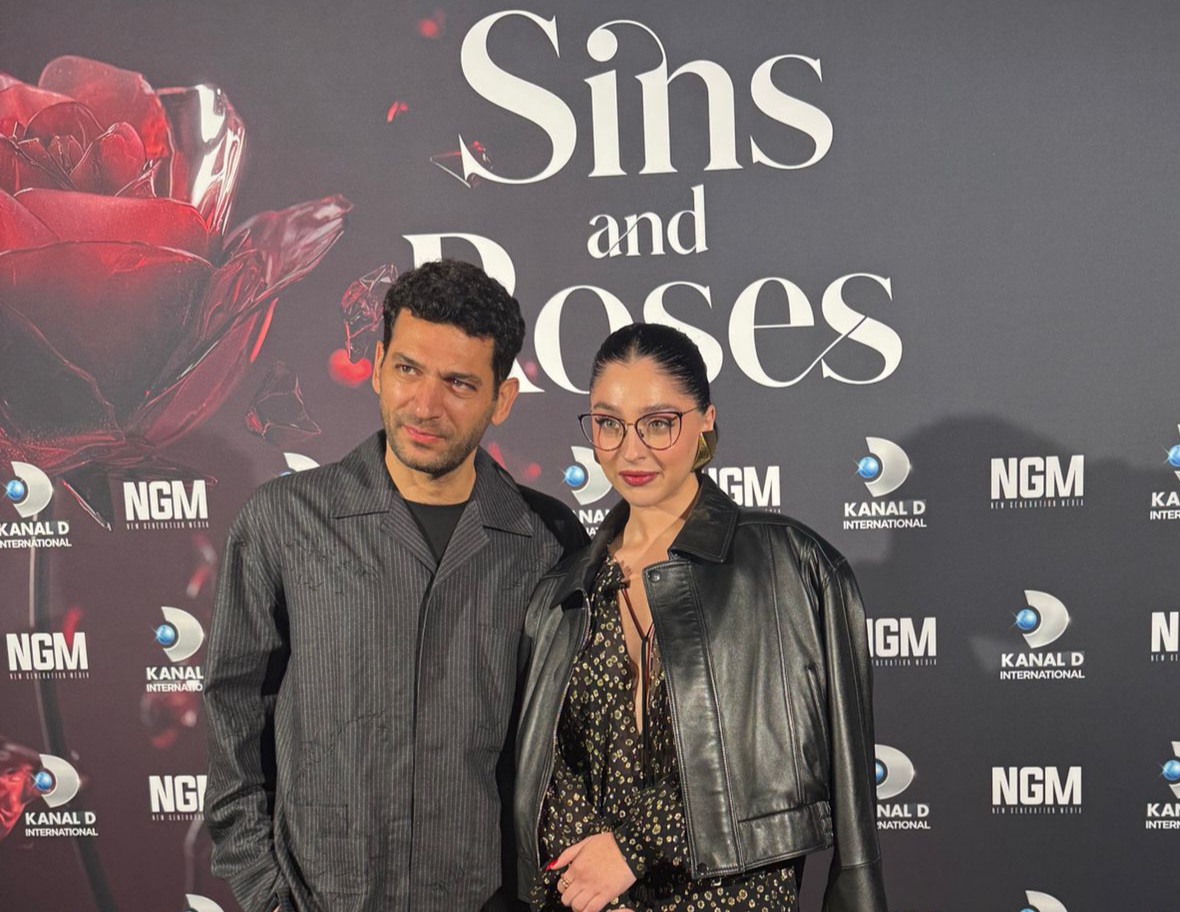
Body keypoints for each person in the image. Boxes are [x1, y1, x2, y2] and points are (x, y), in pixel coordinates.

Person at [204, 259, 586, 912]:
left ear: (502, 398)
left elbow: (573, 744)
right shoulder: (283, 521)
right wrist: (268, 895)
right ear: (379, 365)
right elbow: (234, 714)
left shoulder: (548, 540)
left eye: (459, 383)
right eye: (409, 369)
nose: (425, 406)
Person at [513, 324, 887, 912]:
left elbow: (793, 766)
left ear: (705, 421)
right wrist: (590, 881)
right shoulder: (564, 592)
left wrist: (634, 847)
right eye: (609, 423)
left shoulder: (786, 565)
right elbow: (547, 774)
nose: (631, 450)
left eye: (658, 423)